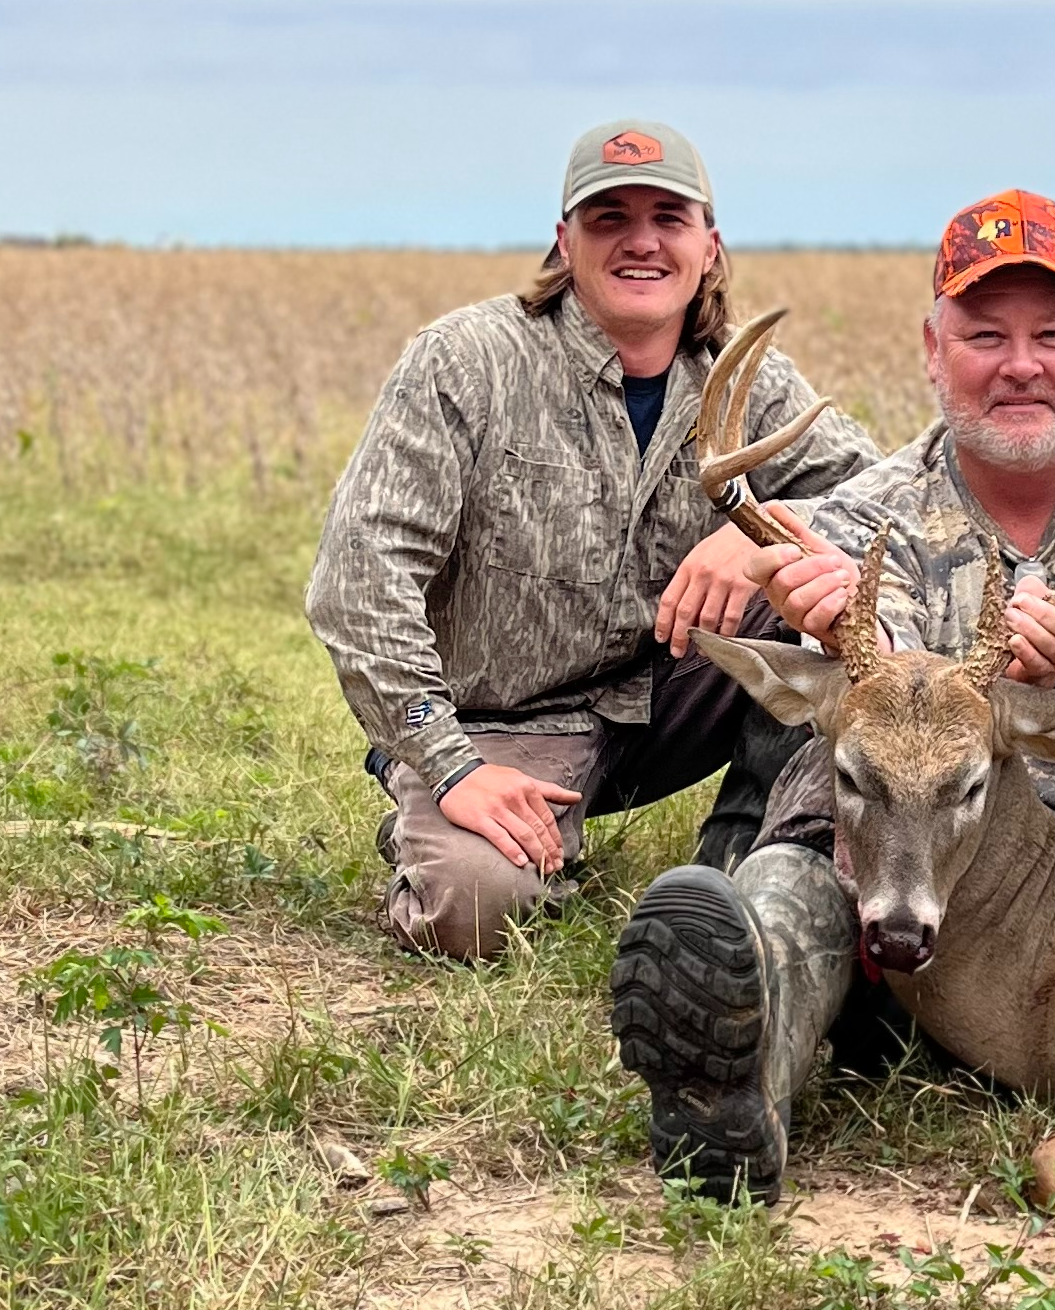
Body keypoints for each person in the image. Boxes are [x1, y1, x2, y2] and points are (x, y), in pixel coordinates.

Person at [611, 188, 1055, 1199]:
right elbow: (874, 679)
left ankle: (841, 1017)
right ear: (933, 348)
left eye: (1051, 332)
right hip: (898, 884)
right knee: (850, 760)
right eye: (985, 334)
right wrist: (825, 621)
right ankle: (743, 1062)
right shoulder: (872, 509)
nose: (1021, 363)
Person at [307, 116, 875, 957]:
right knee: (472, 911)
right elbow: (360, 582)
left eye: (668, 220)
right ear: (564, 243)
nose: (641, 243)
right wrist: (448, 761)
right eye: (610, 218)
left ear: (708, 246)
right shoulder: (466, 362)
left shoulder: (745, 378)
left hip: (673, 695)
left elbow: (883, 497)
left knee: (826, 597)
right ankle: (435, 811)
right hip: (502, 722)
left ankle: (751, 859)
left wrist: (765, 544)